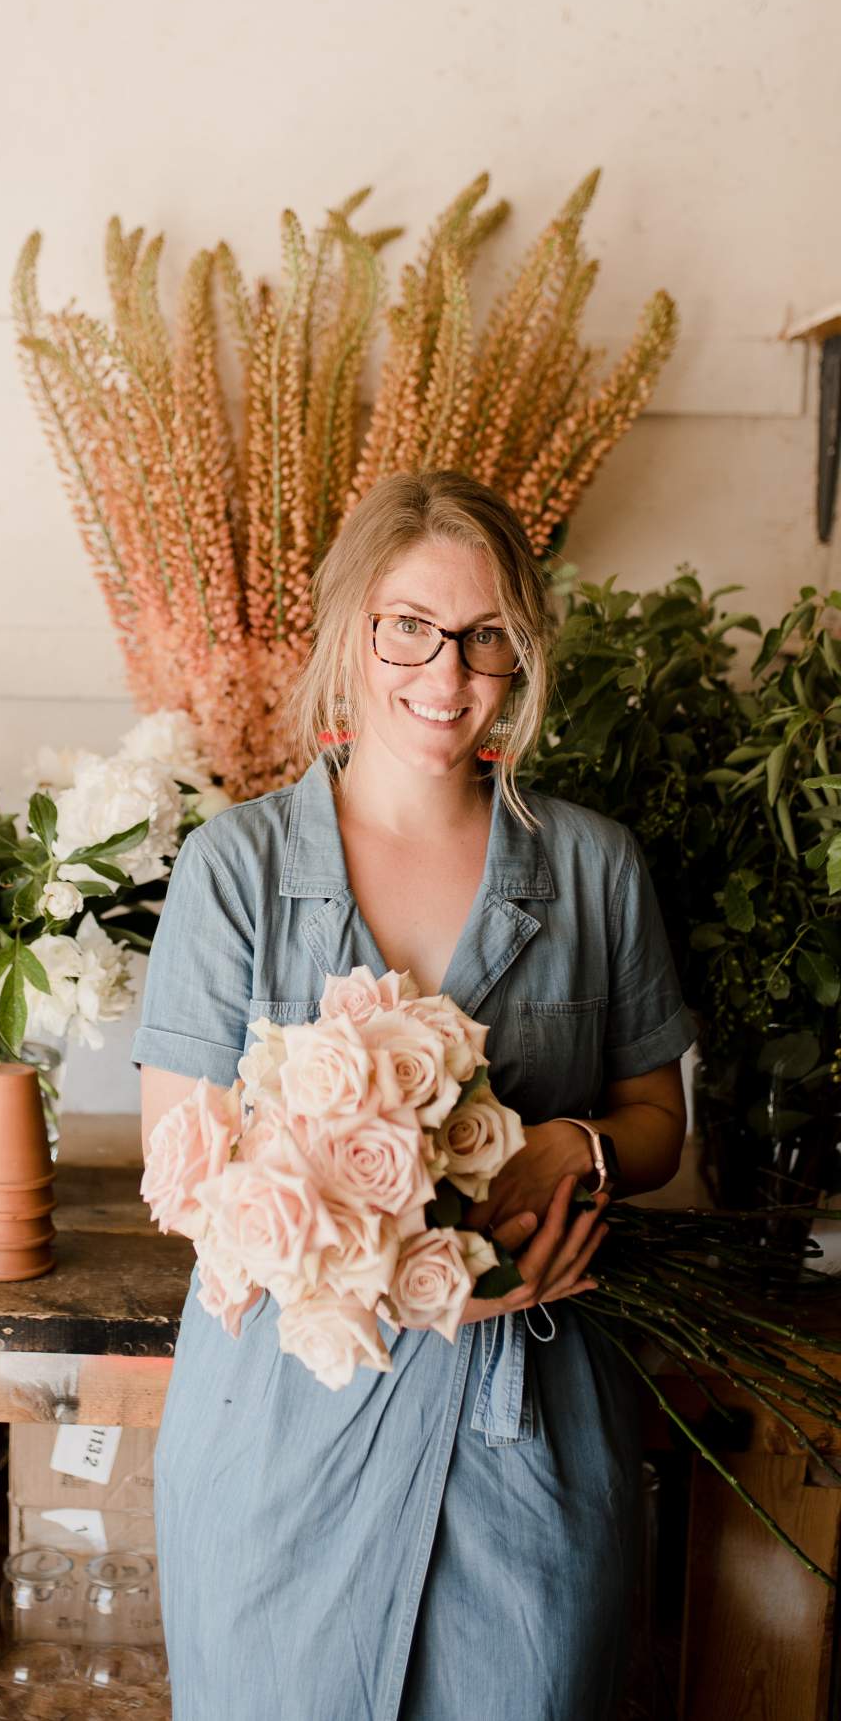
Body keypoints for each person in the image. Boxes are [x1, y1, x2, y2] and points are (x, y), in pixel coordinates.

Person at [132, 469, 698, 1721]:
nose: (448, 676)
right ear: (352, 628)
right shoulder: (237, 868)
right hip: (285, 1418)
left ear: (523, 652)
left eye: (487, 636)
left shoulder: (593, 867)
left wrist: (575, 1150)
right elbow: (182, 1172)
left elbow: (661, 1125)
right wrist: (395, 1265)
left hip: (530, 1416)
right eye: (412, 628)